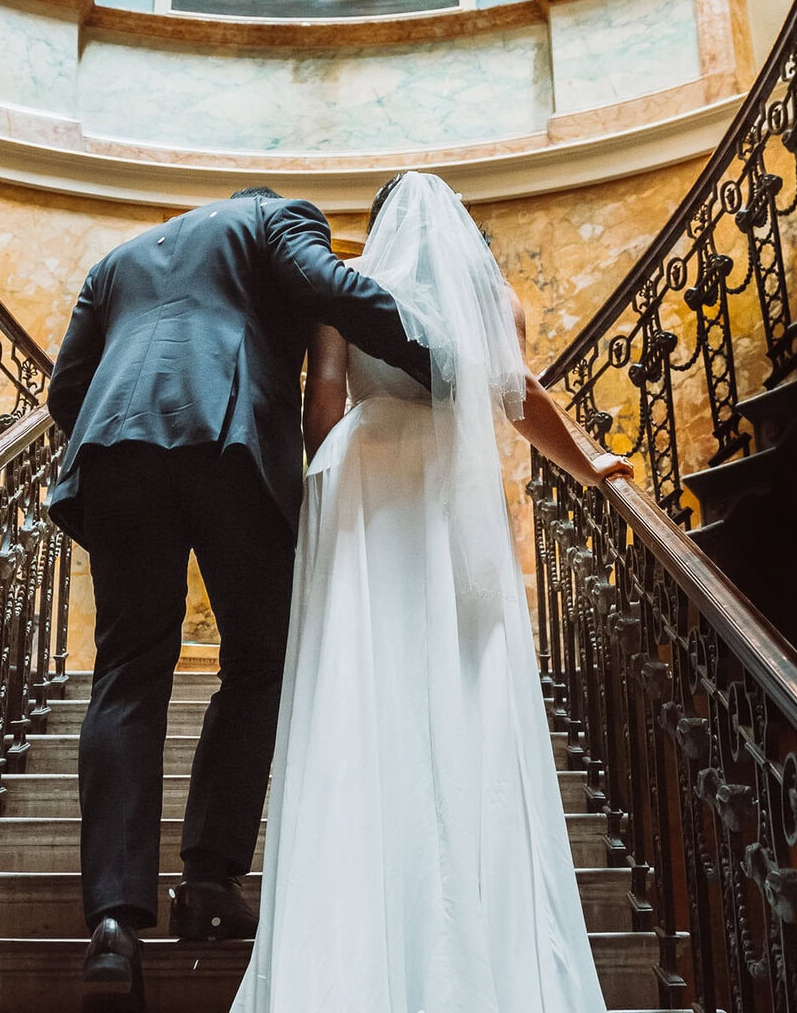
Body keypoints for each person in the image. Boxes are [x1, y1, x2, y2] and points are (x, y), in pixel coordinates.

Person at [229, 171, 631, 1011]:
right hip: (451, 493)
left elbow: (325, 407)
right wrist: (591, 465)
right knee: (463, 678)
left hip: (367, 486)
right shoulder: (496, 299)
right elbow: (522, 399)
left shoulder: (350, 293)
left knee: (360, 685)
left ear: (378, 230)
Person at [45, 186, 433, 1007]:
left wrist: (123, 435)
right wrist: (440, 354)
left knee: (125, 673)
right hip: (229, 440)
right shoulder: (275, 218)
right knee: (260, 662)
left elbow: (64, 391)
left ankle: (113, 925)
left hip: (114, 450)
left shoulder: (116, 260)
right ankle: (211, 882)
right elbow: (326, 286)